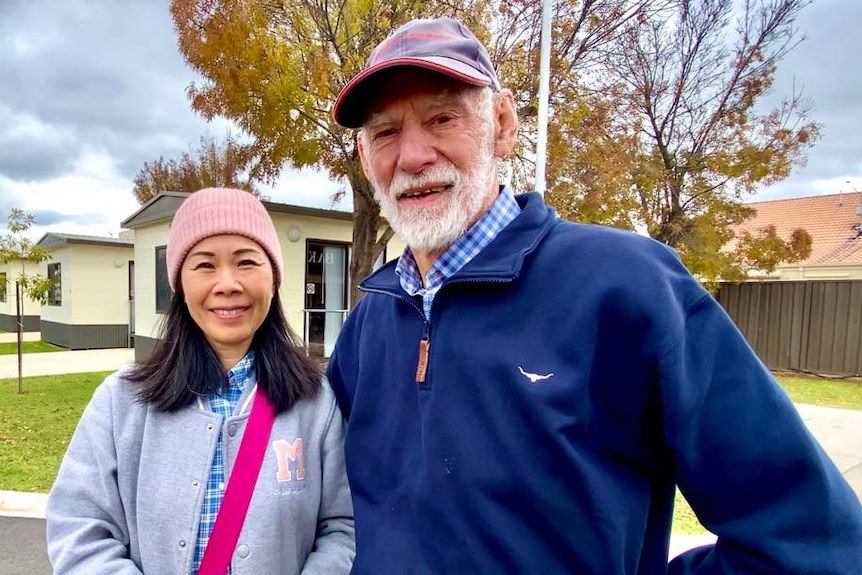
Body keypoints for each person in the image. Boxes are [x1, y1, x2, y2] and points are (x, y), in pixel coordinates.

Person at [326, 16, 862, 574]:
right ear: (366, 159)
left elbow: (807, 542)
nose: (413, 156)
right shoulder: (369, 325)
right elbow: (324, 507)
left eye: (442, 118)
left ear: (503, 124)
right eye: (385, 133)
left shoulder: (627, 288)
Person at [46, 187, 354, 574]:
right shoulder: (121, 402)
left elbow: (342, 527)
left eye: (246, 262)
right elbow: (79, 530)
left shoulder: (316, 403)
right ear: (180, 285)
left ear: (273, 279)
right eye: (204, 265)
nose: (227, 284)